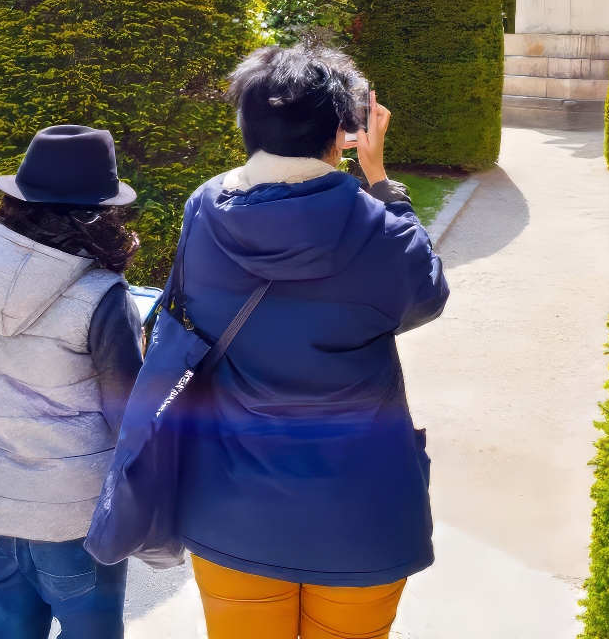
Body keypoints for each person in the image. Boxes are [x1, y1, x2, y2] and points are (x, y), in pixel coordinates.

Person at [173, 44, 450, 639]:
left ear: (246, 125)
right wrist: (379, 179)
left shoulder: (205, 208)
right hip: (360, 507)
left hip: (231, 500)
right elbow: (425, 297)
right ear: (343, 131)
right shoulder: (377, 227)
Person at [0, 125, 146, 639]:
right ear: (98, 213)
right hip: (73, 514)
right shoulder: (105, 295)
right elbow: (129, 417)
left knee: (9, 629)